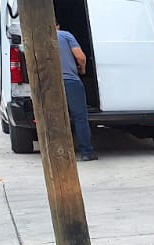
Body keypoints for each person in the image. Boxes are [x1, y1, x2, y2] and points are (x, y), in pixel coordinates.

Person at [57, 24, 96, 161]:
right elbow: (80, 57)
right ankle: (86, 152)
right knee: (80, 117)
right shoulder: (65, 35)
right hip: (70, 81)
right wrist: (83, 69)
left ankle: (59, 153)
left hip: (49, 84)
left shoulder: (37, 37)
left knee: (56, 118)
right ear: (57, 25)